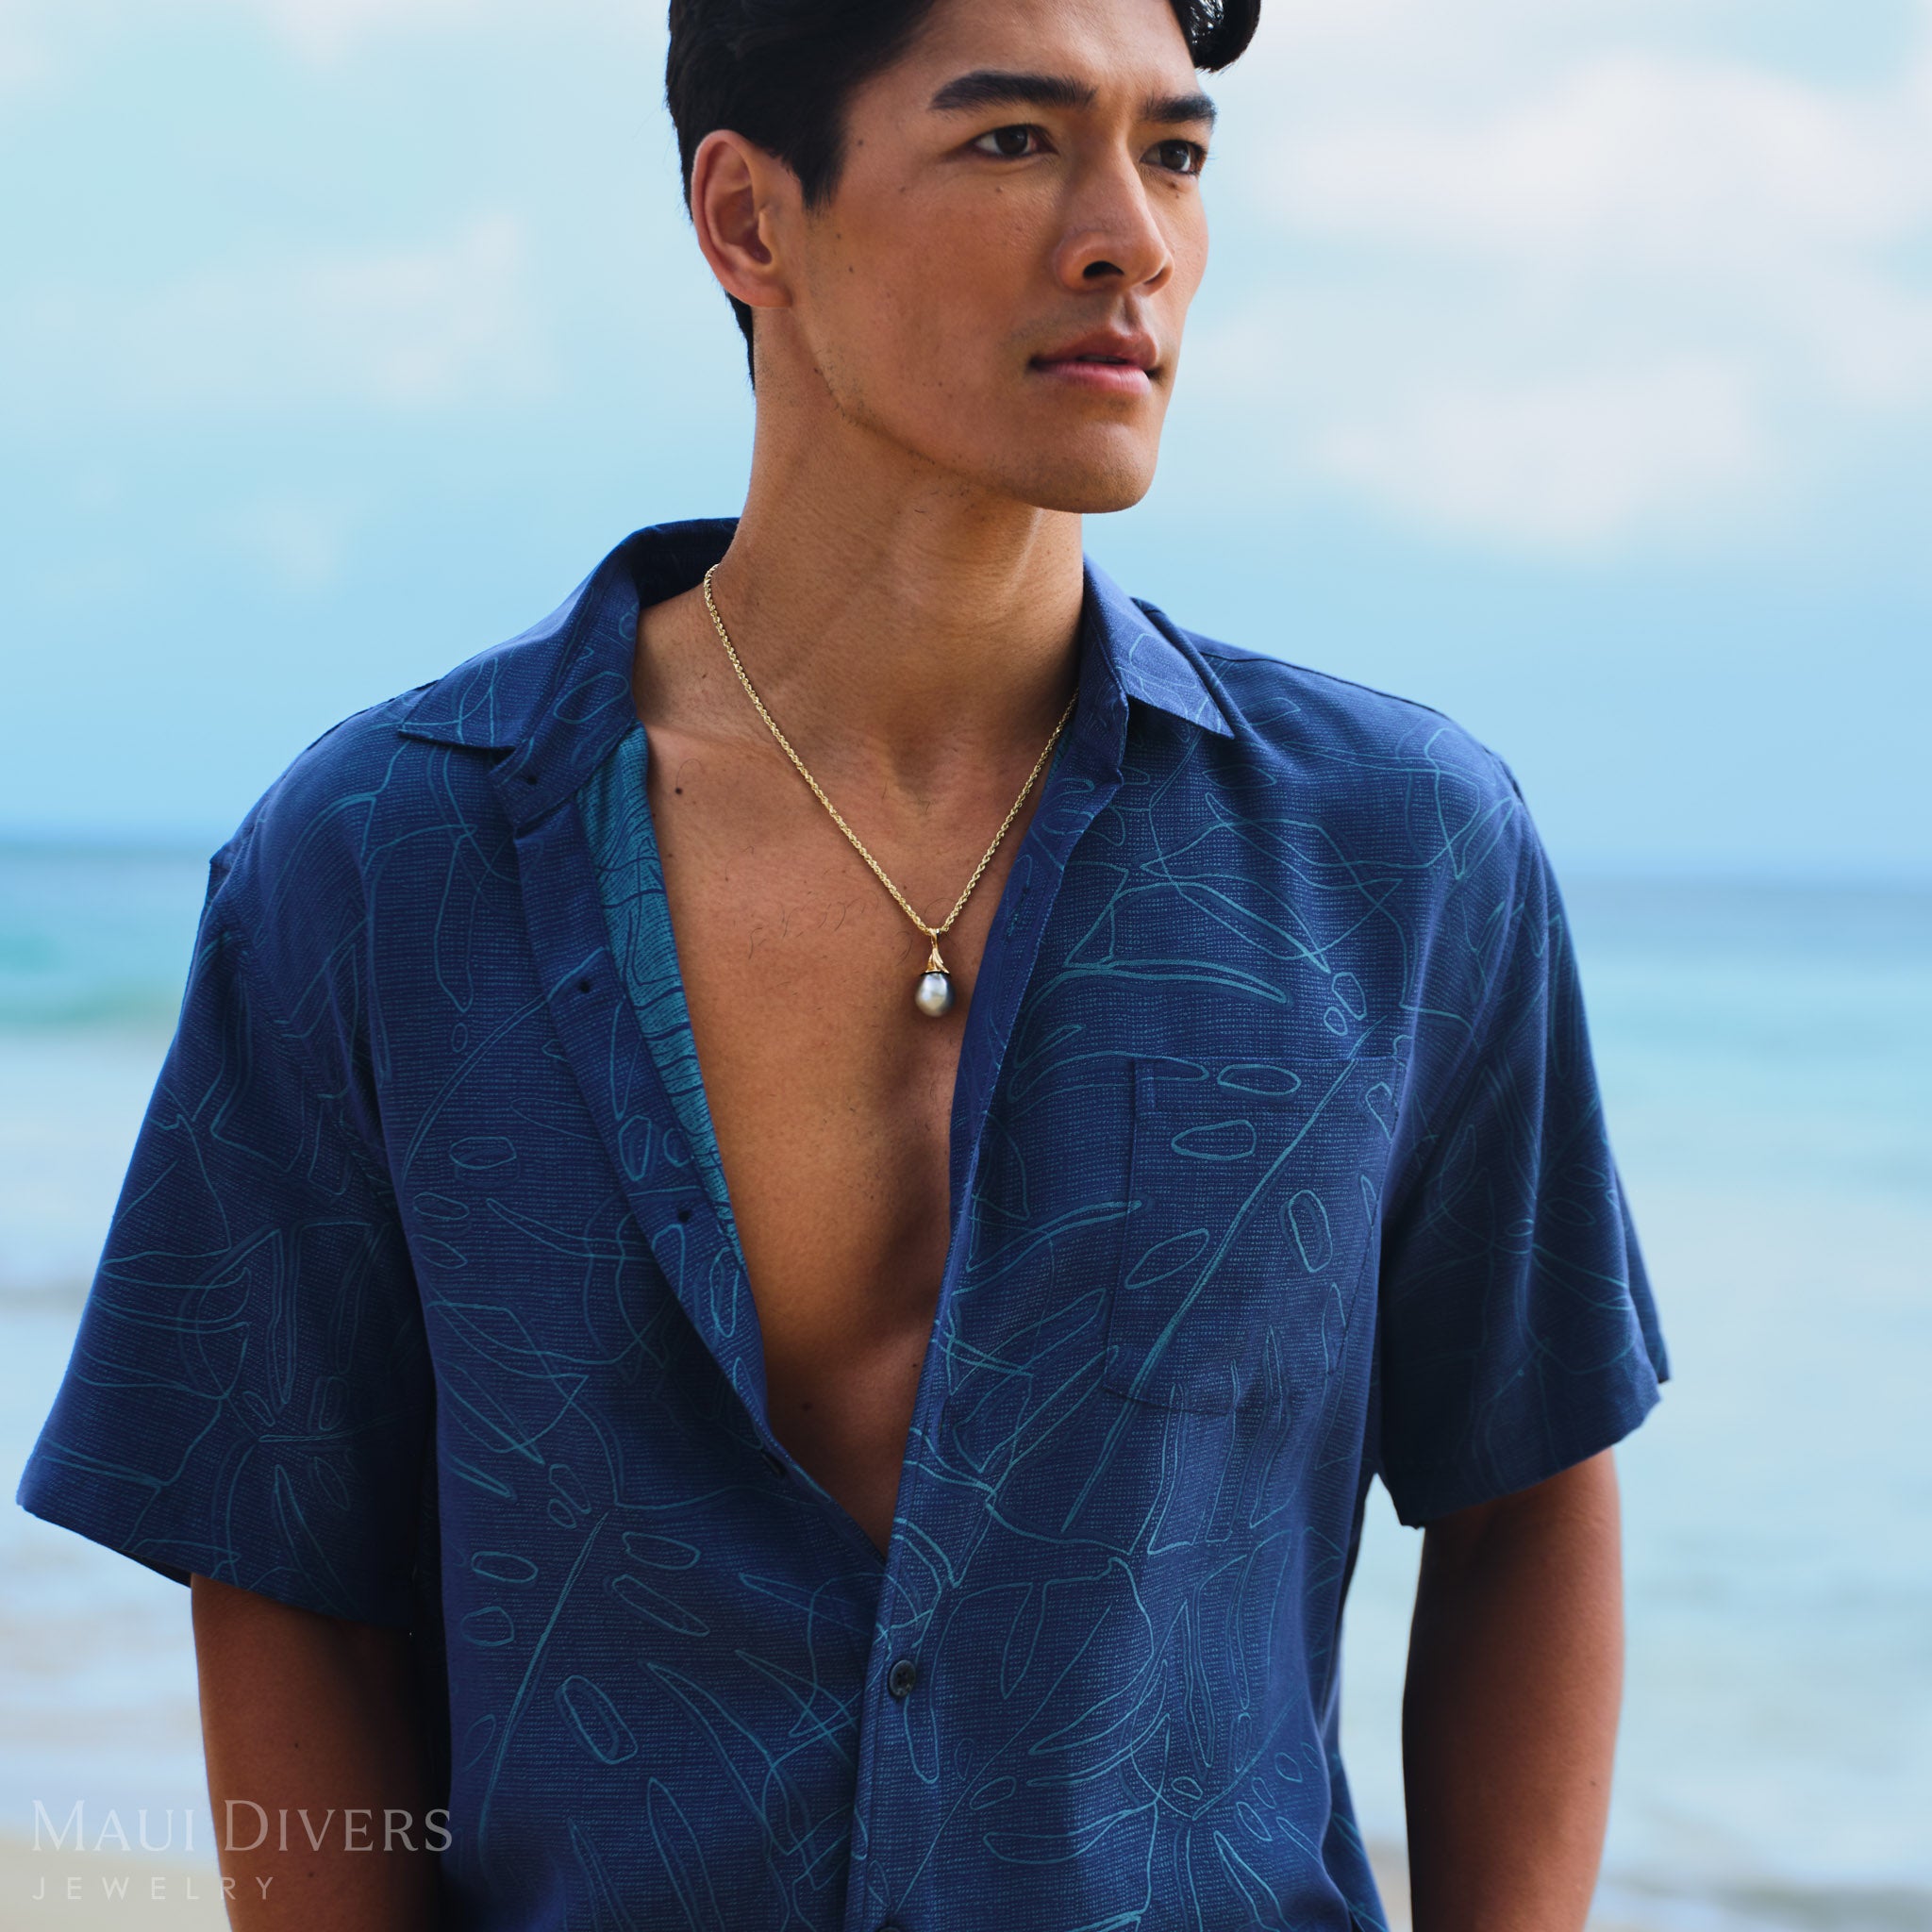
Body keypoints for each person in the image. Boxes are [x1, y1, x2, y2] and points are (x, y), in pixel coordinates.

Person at [18, 0, 1669, 1924]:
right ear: (749, 220)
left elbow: (1525, 1486)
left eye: (1175, 152)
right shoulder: (380, 865)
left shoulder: (1397, 853)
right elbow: (287, 1573)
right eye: (1012, 141)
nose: (1129, 237)